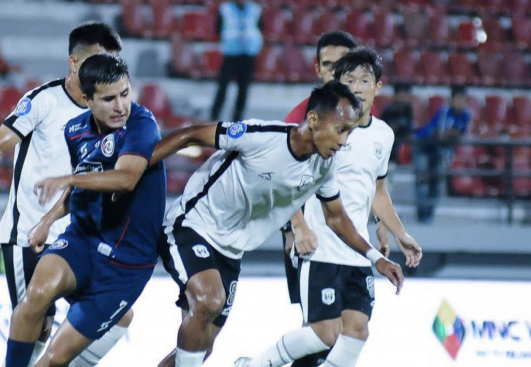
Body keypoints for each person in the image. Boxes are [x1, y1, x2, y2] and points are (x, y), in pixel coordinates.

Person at [150, 81, 404, 367]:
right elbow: (190, 136)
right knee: (209, 299)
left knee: (202, 345)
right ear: (313, 120)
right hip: (194, 225)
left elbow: (336, 218)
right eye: (341, 130)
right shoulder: (262, 136)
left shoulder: (323, 167)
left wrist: (376, 258)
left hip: (232, 251)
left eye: (350, 133)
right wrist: (135, 169)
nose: (344, 141)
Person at [0, 22, 134, 367]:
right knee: (37, 326)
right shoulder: (42, 101)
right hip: (29, 235)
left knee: (117, 312)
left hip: (79, 237)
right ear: (75, 63)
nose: (107, 72)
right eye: (99, 61)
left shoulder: (110, 112)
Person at [235, 48, 423, 367]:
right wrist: (298, 225)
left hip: (357, 249)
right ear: (341, 84)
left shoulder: (384, 135)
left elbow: (377, 190)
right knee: (324, 334)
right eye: (351, 79)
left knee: (357, 331)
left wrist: (398, 231)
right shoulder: (323, 127)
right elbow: (286, 177)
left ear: (378, 87)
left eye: (366, 79)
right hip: (321, 247)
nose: (359, 86)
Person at [4, 54, 166, 367]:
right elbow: (82, 185)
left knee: (53, 361)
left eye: (125, 93)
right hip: (82, 240)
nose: (120, 106)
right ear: (86, 99)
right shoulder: (75, 130)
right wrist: (46, 221)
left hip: (126, 262)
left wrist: (68, 177)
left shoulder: (141, 124)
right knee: (34, 297)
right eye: (108, 99)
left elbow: (126, 179)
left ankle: (114, 320)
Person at [281, 30, 358, 367]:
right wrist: (295, 227)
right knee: (318, 331)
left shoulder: (359, 119)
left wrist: (382, 226)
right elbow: (282, 179)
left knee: (341, 332)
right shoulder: (300, 117)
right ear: (317, 68)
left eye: (341, 65)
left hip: (346, 242)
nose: (333, 71)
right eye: (328, 64)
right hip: (310, 236)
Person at [413, 86, 471, 223]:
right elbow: (440, 134)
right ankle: (421, 214)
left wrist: (450, 134)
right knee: (422, 180)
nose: (460, 103)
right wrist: (450, 134)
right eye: (457, 99)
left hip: (441, 151)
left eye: (462, 100)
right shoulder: (445, 111)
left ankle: (429, 215)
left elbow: (460, 135)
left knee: (437, 183)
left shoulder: (466, 115)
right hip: (424, 147)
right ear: (451, 100)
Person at [210, 0, 263, 122]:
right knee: (223, 86)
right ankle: (214, 115)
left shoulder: (255, 9)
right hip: (231, 53)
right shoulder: (225, 9)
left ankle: (237, 119)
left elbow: (259, 28)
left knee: (243, 89)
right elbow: (218, 29)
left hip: (248, 54)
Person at [380, 83, 414, 164]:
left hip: (405, 143)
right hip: (391, 144)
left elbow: (410, 127)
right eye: (401, 95)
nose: (403, 98)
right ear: (395, 96)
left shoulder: (409, 110)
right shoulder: (388, 111)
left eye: (405, 95)